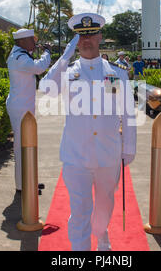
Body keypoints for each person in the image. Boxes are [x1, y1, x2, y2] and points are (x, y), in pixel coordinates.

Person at [39, 13, 136, 251]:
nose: (86, 40)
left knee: (104, 208)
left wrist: (129, 148)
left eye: (91, 34)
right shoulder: (68, 72)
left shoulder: (117, 73)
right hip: (76, 156)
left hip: (108, 154)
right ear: (76, 40)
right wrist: (64, 57)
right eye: (81, 36)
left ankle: (102, 236)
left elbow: (128, 114)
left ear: (100, 36)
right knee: (80, 211)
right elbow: (46, 89)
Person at [6, 28, 51, 191]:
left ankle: (29, 180)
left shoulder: (21, 55)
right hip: (20, 107)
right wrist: (47, 53)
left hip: (24, 105)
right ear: (22, 41)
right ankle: (22, 185)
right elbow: (39, 67)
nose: (35, 43)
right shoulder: (19, 57)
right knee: (21, 146)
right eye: (32, 40)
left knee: (28, 144)